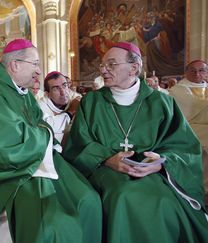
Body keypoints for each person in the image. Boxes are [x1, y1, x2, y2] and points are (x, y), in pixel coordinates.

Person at [0, 39, 102, 243]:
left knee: (88, 200)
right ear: (15, 65)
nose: (39, 71)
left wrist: (41, 133)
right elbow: (6, 144)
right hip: (5, 172)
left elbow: (41, 125)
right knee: (54, 225)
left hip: (34, 160)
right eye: (35, 63)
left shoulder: (24, 93)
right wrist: (43, 135)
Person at [63, 42, 208, 243]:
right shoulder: (92, 102)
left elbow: (184, 147)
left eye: (111, 64)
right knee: (123, 196)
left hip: (151, 171)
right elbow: (79, 143)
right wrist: (106, 158)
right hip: (106, 170)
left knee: (164, 201)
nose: (103, 70)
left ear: (134, 68)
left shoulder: (162, 102)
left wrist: (161, 161)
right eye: (102, 65)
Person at [169, 59, 208, 201]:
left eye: (202, 70)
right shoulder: (179, 89)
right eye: (193, 70)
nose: (197, 74)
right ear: (186, 72)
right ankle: (202, 189)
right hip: (189, 128)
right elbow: (194, 106)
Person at [38, 71, 80, 145]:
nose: (63, 92)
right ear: (47, 93)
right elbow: (48, 126)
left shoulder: (74, 99)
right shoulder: (40, 106)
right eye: (56, 89)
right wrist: (70, 112)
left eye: (64, 85)